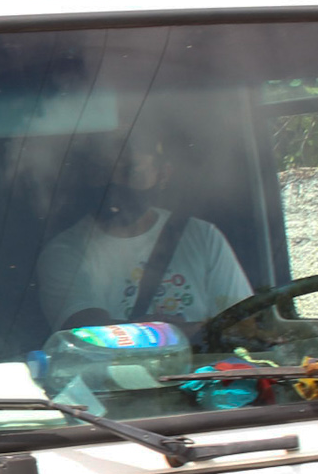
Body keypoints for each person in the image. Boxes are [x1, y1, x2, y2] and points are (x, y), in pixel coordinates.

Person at [35, 129, 252, 333]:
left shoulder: (203, 238)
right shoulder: (66, 252)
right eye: (104, 172)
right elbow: (87, 333)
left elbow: (245, 326)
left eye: (131, 171)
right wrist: (188, 333)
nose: (114, 183)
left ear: (163, 175)